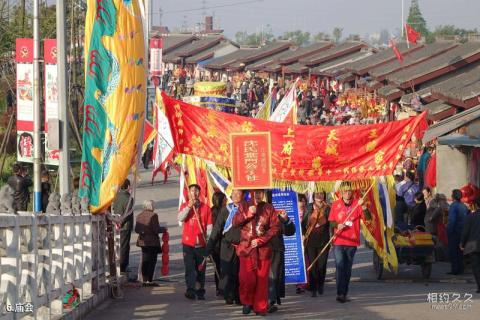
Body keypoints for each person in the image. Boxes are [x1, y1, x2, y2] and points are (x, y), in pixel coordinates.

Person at [233, 190, 279, 316]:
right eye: (256, 192)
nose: (258, 195)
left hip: (263, 251)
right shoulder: (244, 205)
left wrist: (262, 240)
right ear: (252, 193)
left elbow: (275, 227)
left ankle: (260, 307)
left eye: (260, 192)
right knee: (246, 278)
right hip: (246, 249)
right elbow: (235, 222)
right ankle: (247, 301)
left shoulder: (268, 208)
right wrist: (248, 214)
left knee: (262, 280)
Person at [328, 183, 371, 303]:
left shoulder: (358, 203)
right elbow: (331, 222)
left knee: (347, 268)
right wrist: (337, 225)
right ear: (341, 192)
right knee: (340, 266)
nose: (347, 193)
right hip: (339, 240)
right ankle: (340, 293)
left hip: (352, 241)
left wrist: (363, 207)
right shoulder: (336, 205)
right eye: (345, 191)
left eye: (349, 191)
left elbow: (368, 218)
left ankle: (344, 292)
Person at [207, 189, 242, 305]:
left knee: (239, 272)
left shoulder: (246, 209)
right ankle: (229, 295)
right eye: (234, 193)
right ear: (231, 195)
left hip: (241, 246)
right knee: (227, 270)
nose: (236, 195)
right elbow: (217, 229)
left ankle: (239, 296)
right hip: (226, 245)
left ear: (243, 195)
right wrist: (210, 245)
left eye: (239, 193)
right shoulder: (225, 210)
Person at [178, 184, 213, 300]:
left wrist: (209, 242)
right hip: (188, 244)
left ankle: (200, 290)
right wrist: (188, 207)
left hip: (201, 245)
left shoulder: (206, 208)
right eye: (192, 190)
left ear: (199, 193)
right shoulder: (184, 205)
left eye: (196, 190)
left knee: (200, 269)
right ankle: (190, 290)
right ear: (189, 193)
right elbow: (180, 218)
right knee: (189, 268)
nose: (194, 193)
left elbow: (209, 227)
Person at [268, 190, 295, 312]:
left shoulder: (277, 216)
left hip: (276, 251)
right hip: (259, 250)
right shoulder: (254, 214)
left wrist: (286, 219)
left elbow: (290, 231)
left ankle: (270, 301)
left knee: (273, 276)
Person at [302, 191, 330, 297]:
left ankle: (320, 284)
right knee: (313, 265)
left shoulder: (327, 208)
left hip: (324, 241)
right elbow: (303, 223)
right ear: (313, 196)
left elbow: (331, 223)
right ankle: (313, 287)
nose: (319, 196)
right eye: (317, 194)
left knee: (322, 265)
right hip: (310, 241)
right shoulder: (308, 208)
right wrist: (303, 234)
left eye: (321, 194)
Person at [135, 200, 167, 286]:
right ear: (151, 206)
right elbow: (156, 229)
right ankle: (149, 280)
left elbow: (136, 230)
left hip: (142, 242)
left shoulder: (139, 215)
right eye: (153, 205)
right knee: (152, 261)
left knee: (145, 260)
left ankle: (144, 280)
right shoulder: (154, 215)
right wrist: (164, 229)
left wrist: (143, 232)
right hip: (152, 242)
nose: (154, 207)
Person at [112, 179, 134, 274]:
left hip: (116, 224)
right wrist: (121, 221)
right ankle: (123, 266)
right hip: (125, 225)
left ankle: (118, 265)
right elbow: (128, 213)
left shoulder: (115, 197)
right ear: (128, 186)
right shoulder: (129, 198)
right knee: (124, 247)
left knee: (117, 246)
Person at [460, 196, 480, 293]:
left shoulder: (470, 217)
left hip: (474, 246)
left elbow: (465, 232)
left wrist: (462, 243)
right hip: (474, 245)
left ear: (476, 205)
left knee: (476, 267)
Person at [447, 189, 468, 275]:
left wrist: (449, 231)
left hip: (455, 231)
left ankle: (455, 269)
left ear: (453, 196)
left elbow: (452, 220)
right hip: (462, 231)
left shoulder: (453, 206)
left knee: (453, 251)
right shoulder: (464, 206)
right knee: (460, 251)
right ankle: (460, 269)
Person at [210, 191, 227, 297]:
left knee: (220, 266)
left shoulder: (223, 210)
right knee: (220, 266)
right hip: (218, 243)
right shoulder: (218, 212)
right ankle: (220, 287)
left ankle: (220, 287)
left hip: (219, 243)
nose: (226, 200)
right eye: (224, 199)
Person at [296, 194, 308, 294]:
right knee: (299, 262)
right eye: (300, 201)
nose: (302, 203)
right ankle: (299, 283)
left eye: (304, 201)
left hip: (306, 240)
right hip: (296, 240)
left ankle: (304, 284)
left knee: (306, 261)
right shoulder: (293, 212)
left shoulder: (308, 212)